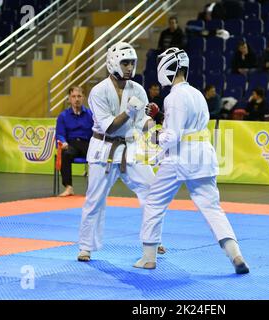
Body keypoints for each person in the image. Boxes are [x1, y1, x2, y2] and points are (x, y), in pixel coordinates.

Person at [133, 47, 249, 274]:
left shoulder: (173, 97)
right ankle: (236, 254)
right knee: (212, 208)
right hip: (203, 154)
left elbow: (173, 135)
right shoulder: (197, 94)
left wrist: (155, 135)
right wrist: (161, 119)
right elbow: (185, 125)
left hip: (180, 156)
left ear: (167, 67)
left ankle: (148, 257)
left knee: (154, 201)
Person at [77, 42, 165, 262]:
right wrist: (129, 111)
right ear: (113, 62)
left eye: (132, 63)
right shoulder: (98, 92)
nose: (129, 67)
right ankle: (86, 247)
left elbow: (142, 121)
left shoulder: (138, 90)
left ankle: (153, 240)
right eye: (125, 62)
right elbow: (109, 126)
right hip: (104, 149)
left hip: (130, 147)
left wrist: (156, 133)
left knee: (152, 191)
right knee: (95, 199)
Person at [55, 86, 94, 197]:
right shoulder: (63, 116)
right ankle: (69, 187)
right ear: (69, 99)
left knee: (97, 156)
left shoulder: (91, 115)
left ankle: (94, 189)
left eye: (79, 96)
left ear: (83, 98)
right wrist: (63, 142)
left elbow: (96, 131)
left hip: (87, 144)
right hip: (71, 144)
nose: (76, 99)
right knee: (65, 154)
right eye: (73, 96)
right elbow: (59, 134)